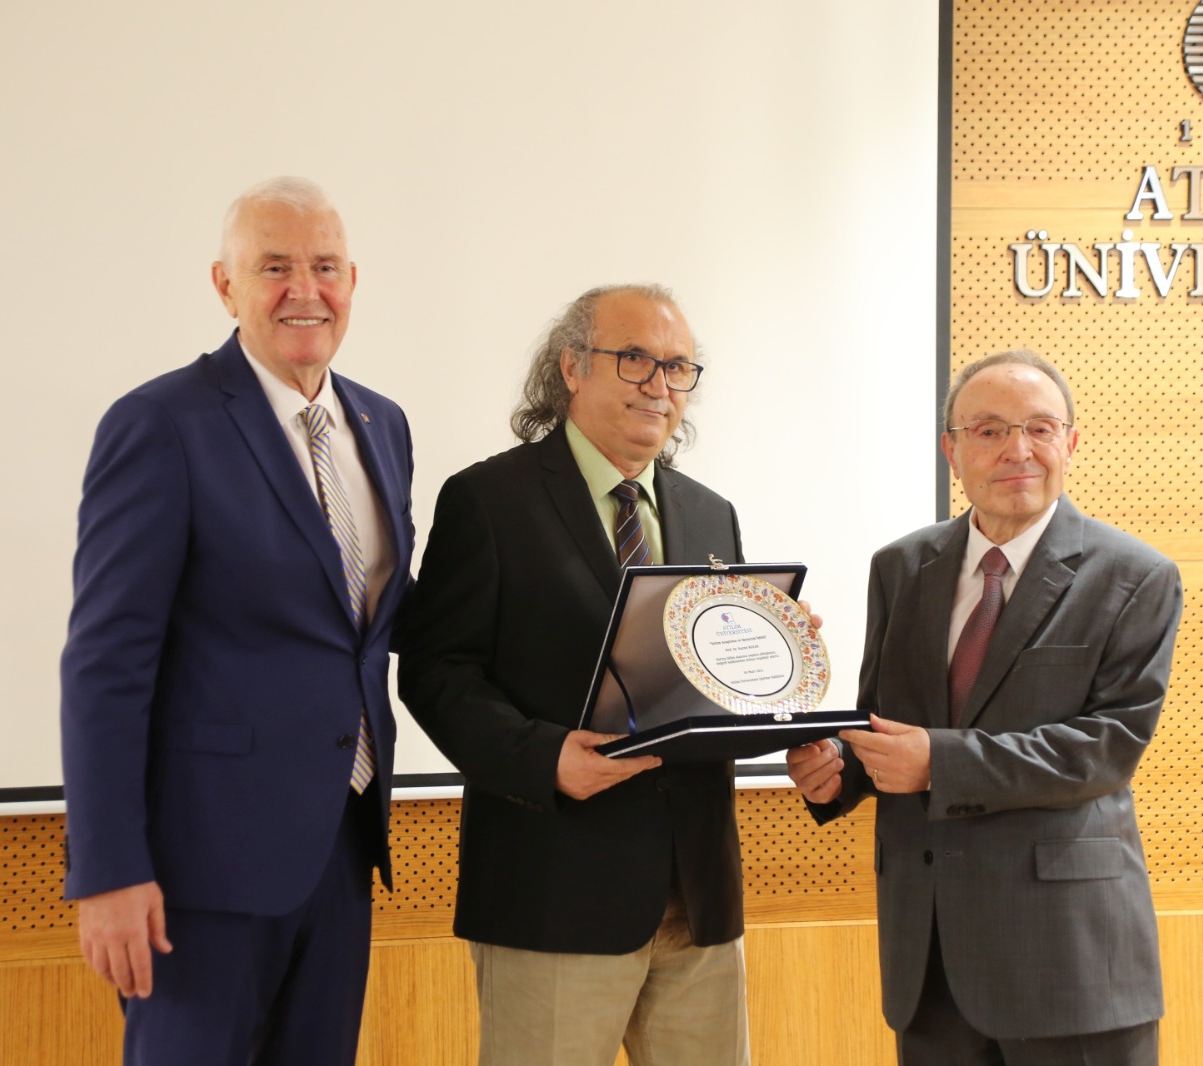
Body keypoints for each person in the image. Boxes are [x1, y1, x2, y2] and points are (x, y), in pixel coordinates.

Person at [59, 176, 414, 1065]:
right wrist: (107, 870)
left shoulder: (383, 424)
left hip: (341, 849)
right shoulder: (161, 424)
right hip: (200, 872)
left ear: (353, 280)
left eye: (325, 266)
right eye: (274, 267)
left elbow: (370, 623)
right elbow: (105, 665)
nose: (305, 290)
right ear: (225, 285)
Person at [787, 350, 1180, 1066]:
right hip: (929, 957)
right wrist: (837, 768)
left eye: (1039, 428)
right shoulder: (901, 568)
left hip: (1069, 960)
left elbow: (1107, 747)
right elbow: (881, 719)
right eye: (990, 430)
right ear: (952, 449)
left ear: (1071, 442)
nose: (1017, 450)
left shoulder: (1135, 575)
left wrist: (938, 763)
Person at [398, 284, 751, 1066]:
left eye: (678, 366)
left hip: (697, 899)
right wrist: (544, 757)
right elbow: (435, 671)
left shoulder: (710, 514)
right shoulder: (489, 500)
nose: (659, 384)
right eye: (635, 359)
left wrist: (775, 666)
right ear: (571, 367)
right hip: (552, 891)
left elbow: (708, 679)